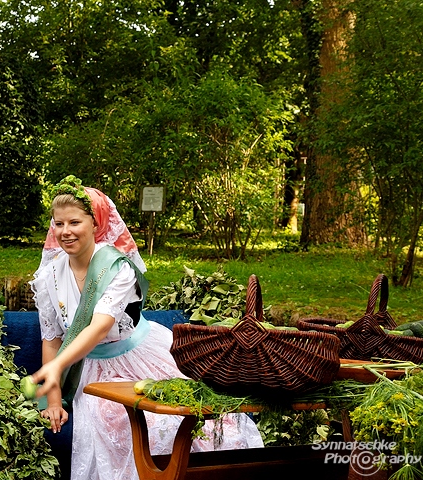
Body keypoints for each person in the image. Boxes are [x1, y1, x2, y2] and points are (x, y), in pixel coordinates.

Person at [29, 176, 262, 480]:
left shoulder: (117, 267)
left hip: (143, 358)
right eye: (58, 224)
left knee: (189, 415)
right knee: (114, 418)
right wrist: (55, 396)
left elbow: (100, 327)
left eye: (74, 222)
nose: (65, 231)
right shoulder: (49, 277)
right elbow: (52, 338)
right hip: (91, 370)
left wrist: (58, 364)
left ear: (95, 224)